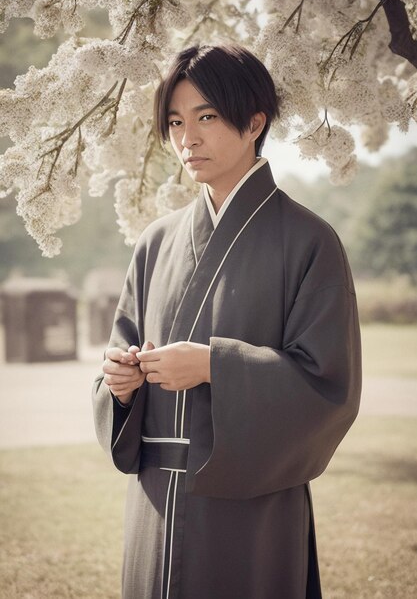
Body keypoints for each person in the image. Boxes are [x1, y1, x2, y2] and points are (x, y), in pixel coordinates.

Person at [92, 43, 361, 599]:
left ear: (254, 122)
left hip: (249, 506)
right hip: (153, 503)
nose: (186, 138)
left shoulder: (310, 242)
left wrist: (216, 365)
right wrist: (119, 385)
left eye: (206, 117)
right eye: (174, 121)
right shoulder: (155, 241)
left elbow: (328, 386)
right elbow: (119, 352)